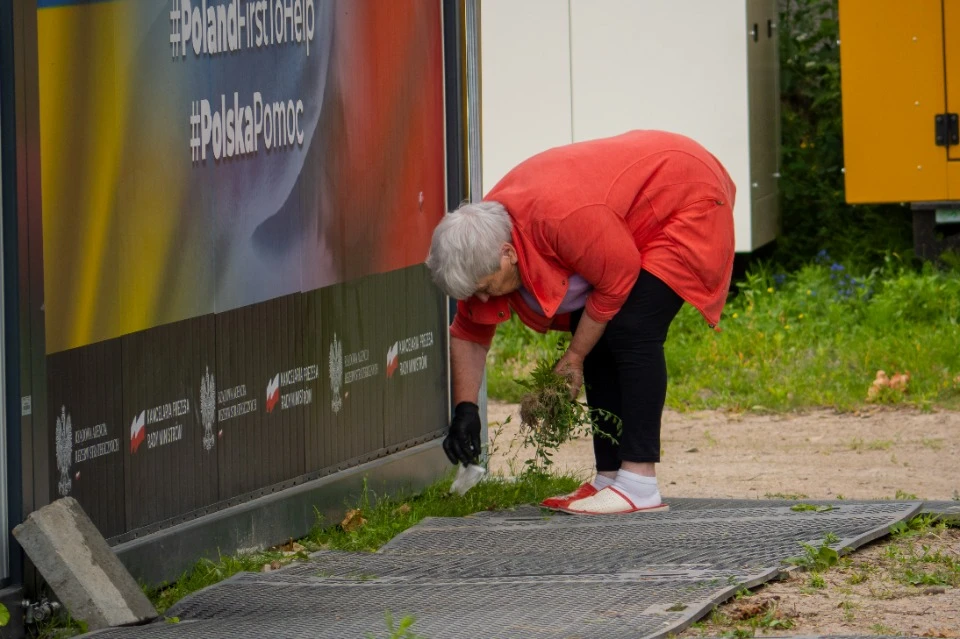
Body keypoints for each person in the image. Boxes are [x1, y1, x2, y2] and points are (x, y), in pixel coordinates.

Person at [425, 130, 736, 515]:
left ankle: (639, 483)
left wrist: (573, 357)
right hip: (627, 211)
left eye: (486, 288)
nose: (485, 300)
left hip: (683, 197)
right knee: (595, 332)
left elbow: (617, 279)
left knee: (630, 328)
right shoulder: (485, 242)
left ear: (507, 253)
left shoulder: (560, 218)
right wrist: (465, 411)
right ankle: (609, 478)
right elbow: (470, 331)